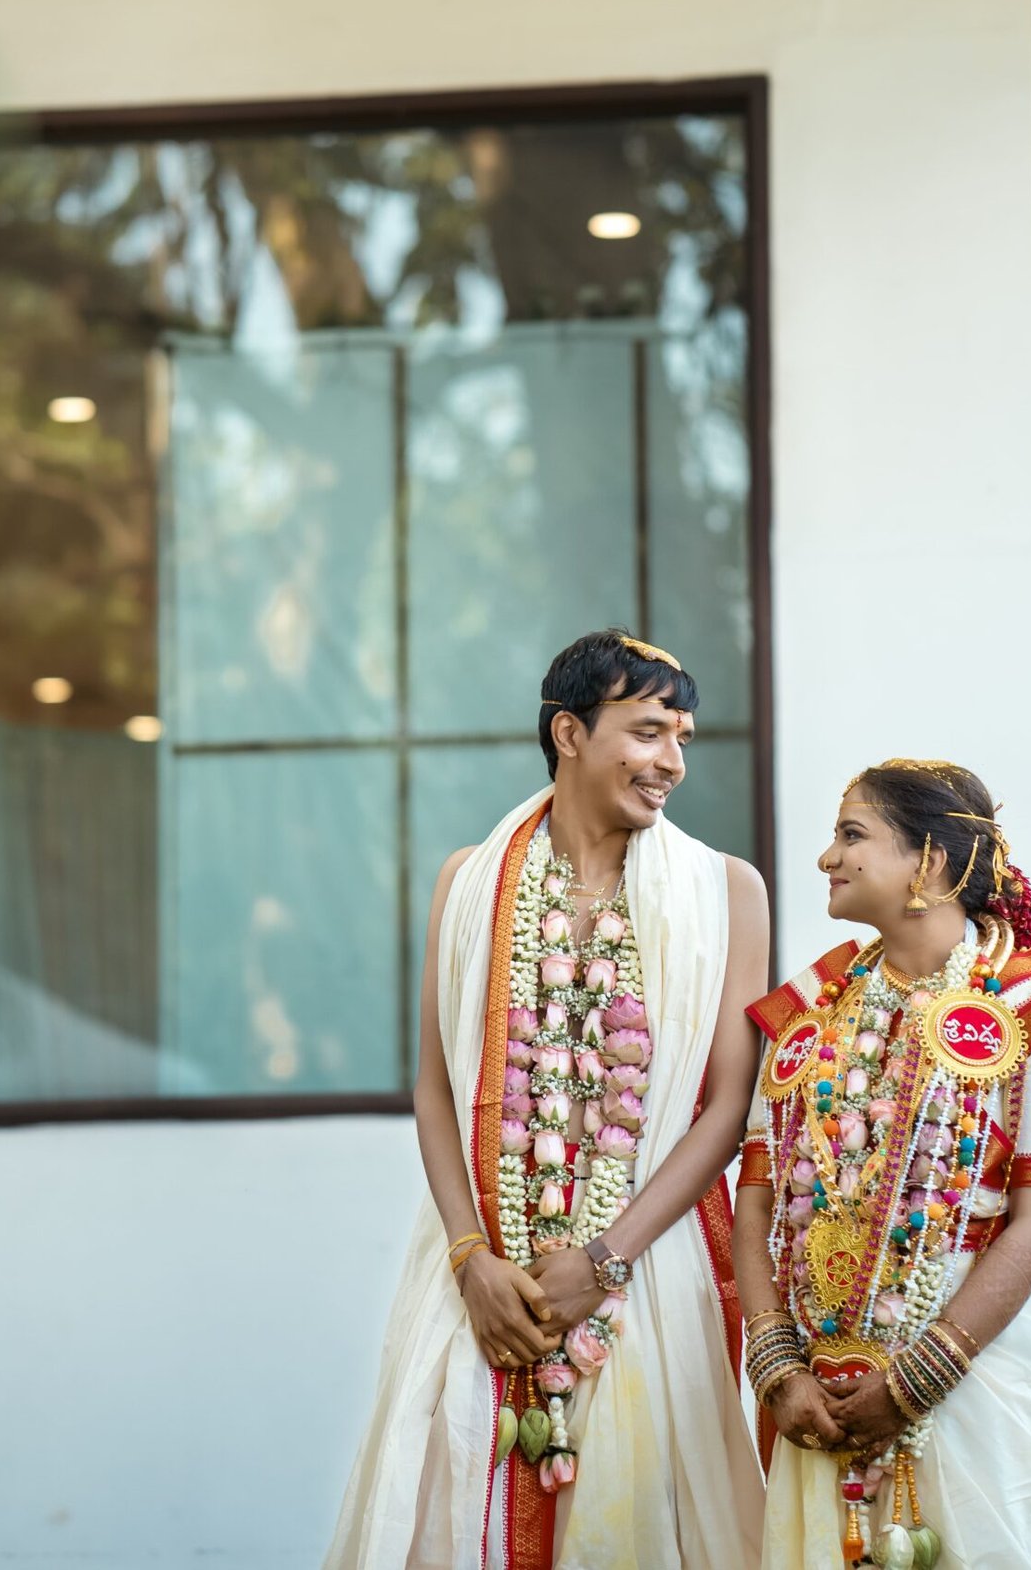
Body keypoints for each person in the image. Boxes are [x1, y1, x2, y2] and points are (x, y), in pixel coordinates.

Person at [324, 628, 768, 1570]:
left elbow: (727, 1110)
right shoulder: (468, 881)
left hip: (647, 1274)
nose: (673, 763)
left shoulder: (728, 891)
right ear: (570, 733)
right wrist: (469, 1259)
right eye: (648, 732)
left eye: (683, 738)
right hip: (483, 1279)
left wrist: (604, 1260)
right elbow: (436, 1089)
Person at [733, 757, 1031, 1570]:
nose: (828, 857)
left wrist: (918, 1379)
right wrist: (777, 1369)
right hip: (816, 1381)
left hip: (980, 1369)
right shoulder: (814, 1006)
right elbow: (757, 1204)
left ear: (930, 860)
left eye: (852, 835)